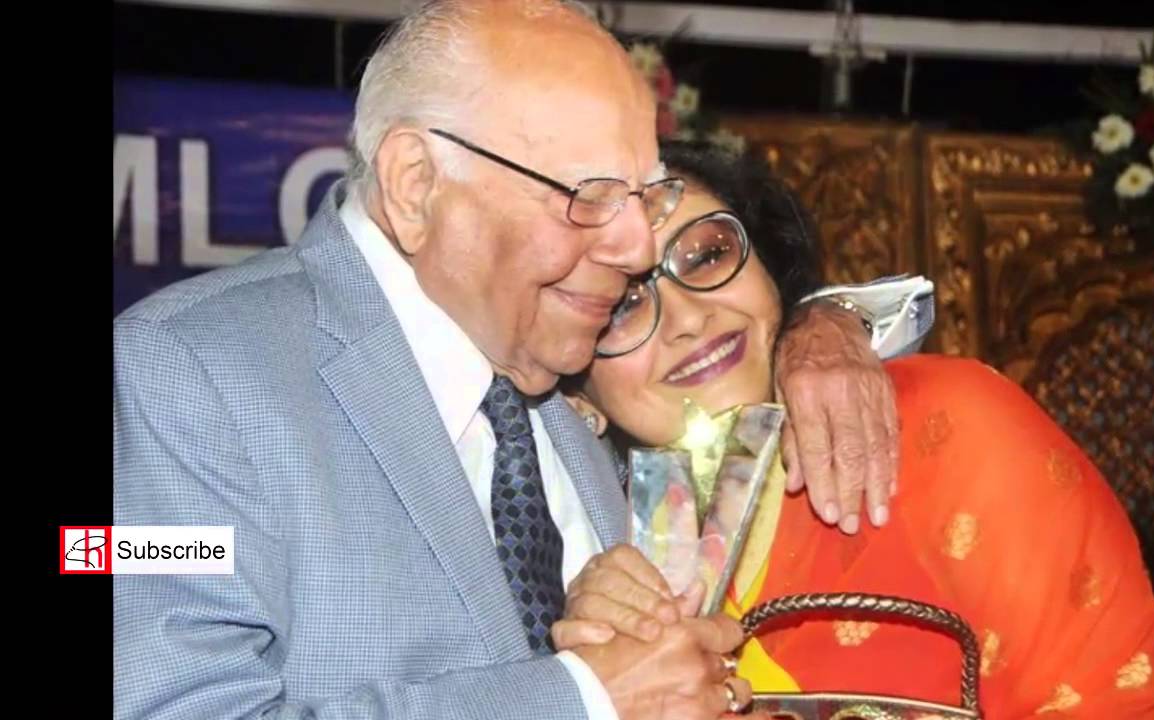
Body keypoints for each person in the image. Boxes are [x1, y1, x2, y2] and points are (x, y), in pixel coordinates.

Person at [113, 3, 917, 719]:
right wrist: (588, 699)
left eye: (643, 198)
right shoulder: (177, 374)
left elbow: (738, 367)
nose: (636, 248)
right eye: (589, 196)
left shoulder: (563, 365)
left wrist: (823, 320)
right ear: (416, 183)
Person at [556, 141, 1154, 718]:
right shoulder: (583, 555)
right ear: (575, 387)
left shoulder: (944, 430)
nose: (689, 317)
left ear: (768, 267)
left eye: (708, 255)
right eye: (625, 304)